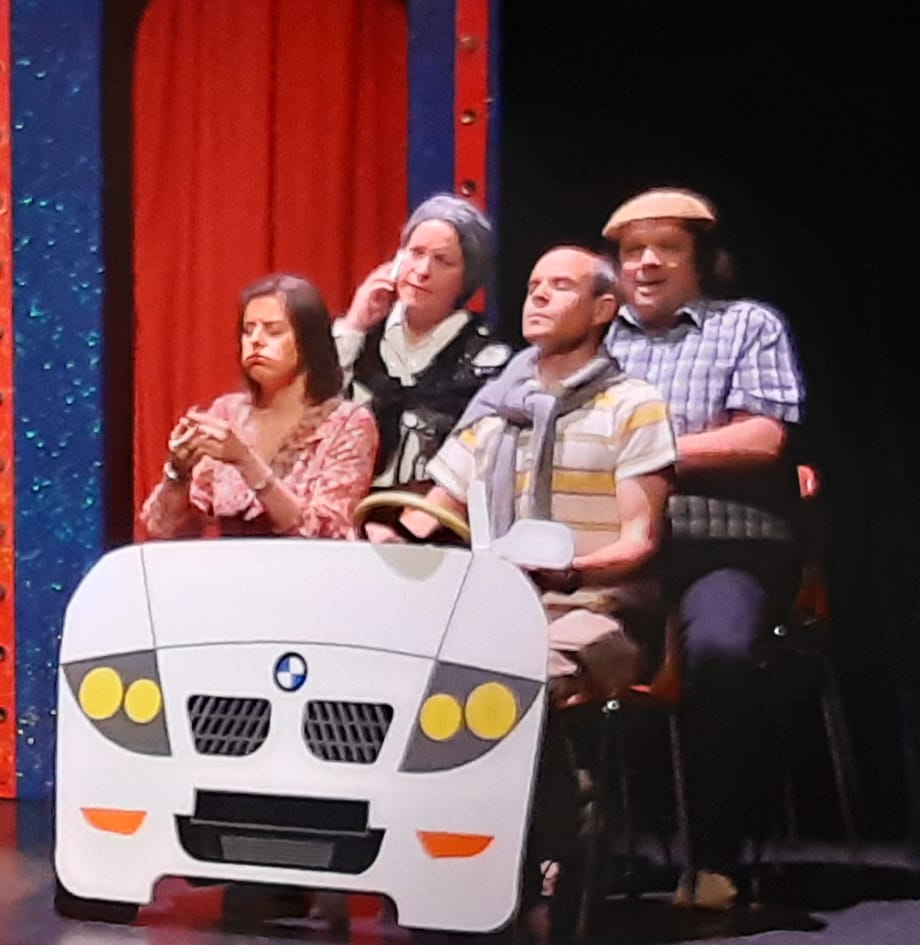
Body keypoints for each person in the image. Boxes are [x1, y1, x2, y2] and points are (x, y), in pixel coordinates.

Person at [460, 187, 807, 909]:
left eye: (666, 248)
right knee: (510, 655)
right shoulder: (589, 333)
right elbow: (490, 417)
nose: (646, 262)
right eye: (631, 250)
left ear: (701, 260)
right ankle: (571, 844)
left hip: (713, 545)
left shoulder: (745, 325)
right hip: (597, 557)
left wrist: (643, 448)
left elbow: (764, 435)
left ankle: (716, 856)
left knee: (722, 652)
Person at [372, 246, 678, 935]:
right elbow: (431, 511)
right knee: (414, 676)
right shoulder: (496, 416)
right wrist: (387, 537)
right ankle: (454, 856)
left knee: (515, 682)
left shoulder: (633, 405)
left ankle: (560, 845)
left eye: (560, 286)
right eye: (534, 284)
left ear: (603, 309)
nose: (537, 296)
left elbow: (641, 539)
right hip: (503, 611)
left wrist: (570, 571)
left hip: (601, 609)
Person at [142, 274, 379, 540]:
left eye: (273, 331)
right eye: (248, 330)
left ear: (308, 341)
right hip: (231, 563)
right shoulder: (226, 413)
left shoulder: (346, 422)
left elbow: (327, 532)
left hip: (304, 565)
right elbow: (165, 528)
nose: (256, 340)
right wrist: (178, 473)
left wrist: (247, 462)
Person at [334, 194, 515, 491]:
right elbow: (314, 415)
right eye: (415, 253)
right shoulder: (360, 339)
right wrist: (353, 325)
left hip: (430, 511)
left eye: (442, 261)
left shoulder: (487, 359)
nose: (422, 271)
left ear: (467, 277)